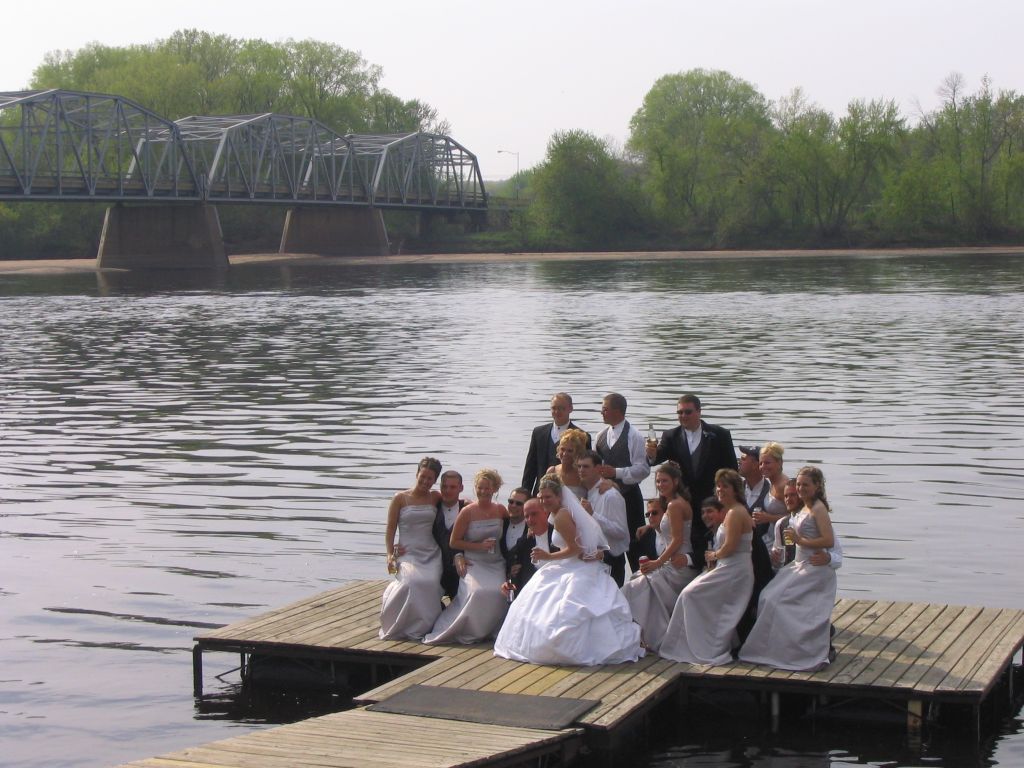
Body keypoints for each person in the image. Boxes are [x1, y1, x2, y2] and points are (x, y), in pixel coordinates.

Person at [493, 473, 643, 666]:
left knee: (565, 606)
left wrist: (548, 557)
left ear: (558, 497)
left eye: (548, 497)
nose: (544, 500)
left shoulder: (562, 516)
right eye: (541, 496)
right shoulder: (558, 513)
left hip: (573, 566)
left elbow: (575, 549)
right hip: (572, 564)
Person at [739, 466, 838, 671]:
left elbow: (828, 539)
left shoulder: (819, 508)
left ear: (817, 486)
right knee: (767, 596)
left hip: (813, 567)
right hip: (799, 564)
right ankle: (776, 648)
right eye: (799, 484)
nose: (801, 488)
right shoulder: (804, 508)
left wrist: (801, 541)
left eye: (805, 485)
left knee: (776, 600)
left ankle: (800, 651)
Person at [659, 470, 754, 664]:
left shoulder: (736, 512)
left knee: (690, 594)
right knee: (690, 594)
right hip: (727, 567)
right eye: (718, 486)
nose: (720, 490)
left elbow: (730, 546)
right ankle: (695, 643)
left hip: (735, 571)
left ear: (735, 489)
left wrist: (714, 555)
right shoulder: (730, 511)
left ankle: (705, 647)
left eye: (725, 486)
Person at [646, 394, 737, 568]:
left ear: (699, 412)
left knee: (714, 543)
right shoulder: (671, 436)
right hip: (684, 504)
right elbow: (656, 459)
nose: (683, 416)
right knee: (689, 544)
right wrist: (651, 454)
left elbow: (731, 470)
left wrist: (727, 502)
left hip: (712, 501)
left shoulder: (719, 435)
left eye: (688, 412)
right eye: (680, 413)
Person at [424, 469, 509, 644]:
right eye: (480, 488)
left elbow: (514, 528)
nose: (483, 492)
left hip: (495, 562)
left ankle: (490, 629)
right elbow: (454, 542)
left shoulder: (501, 510)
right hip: (474, 561)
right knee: (477, 592)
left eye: (487, 488)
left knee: (499, 592)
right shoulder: (467, 511)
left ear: (494, 489)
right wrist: (477, 547)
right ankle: (469, 629)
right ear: (475, 488)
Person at [621, 462, 699, 649]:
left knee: (635, 587)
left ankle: (653, 636)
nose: (660, 484)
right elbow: (669, 531)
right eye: (658, 481)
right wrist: (650, 525)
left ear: (675, 481)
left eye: (665, 481)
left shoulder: (675, 505)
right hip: (671, 560)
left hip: (679, 566)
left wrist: (657, 563)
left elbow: (678, 540)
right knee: (638, 581)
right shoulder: (673, 503)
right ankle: (647, 635)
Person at [379, 457, 445, 640]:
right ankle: (402, 623)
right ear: (417, 474)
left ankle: (426, 625)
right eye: (423, 476)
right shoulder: (400, 498)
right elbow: (391, 528)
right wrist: (390, 554)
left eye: (430, 478)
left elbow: (454, 503)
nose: (425, 481)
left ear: (434, 480)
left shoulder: (435, 497)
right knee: (411, 583)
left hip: (431, 552)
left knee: (430, 582)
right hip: (408, 552)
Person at [594, 392, 651, 571]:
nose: (601, 412)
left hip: (629, 497)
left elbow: (643, 469)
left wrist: (616, 473)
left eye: (605, 409)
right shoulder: (600, 436)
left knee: (635, 544)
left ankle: (639, 579)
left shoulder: (634, 436)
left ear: (618, 411)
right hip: (606, 498)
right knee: (608, 541)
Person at [577, 450, 631, 586]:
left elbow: (621, 532)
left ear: (598, 468)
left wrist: (593, 515)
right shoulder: (585, 492)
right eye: (579, 466)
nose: (581, 470)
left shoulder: (611, 496)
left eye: (586, 466)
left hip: (611, 560)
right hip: (589, 560)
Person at [522, 392, 590, 495]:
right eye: (554, 408)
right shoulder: (538, 432)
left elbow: (587, 468)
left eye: (562, 408)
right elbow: (530, 468)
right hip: (541, 493)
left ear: (570, 409)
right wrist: (525, 494)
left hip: (570, 490)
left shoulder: (582, 436)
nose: (557, 411)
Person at [501, 497, 555, 597]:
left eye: (534, 514)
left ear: (546, 512)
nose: (530, 519)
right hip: (533, 591)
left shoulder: (558, 537)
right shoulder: (525, 541)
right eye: (526, 516)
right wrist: (508, 583)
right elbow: (515, 568)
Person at [433, 470, 467, 601]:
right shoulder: (432, 507)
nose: (447, 491)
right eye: (444, 486)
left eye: (452, 487)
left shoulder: (467, 508)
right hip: (434, 565)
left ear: (461, 488)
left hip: (459, 568)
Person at [752, 442, 789, 552]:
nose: (763, 467)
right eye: (761, 463)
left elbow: (795, 517)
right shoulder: (771, 483)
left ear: (779, 463)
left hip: (784, 541)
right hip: (771, 537)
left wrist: (768, 518)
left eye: (767, 463)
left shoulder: (784, 486)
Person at [548, 428, 589, 499]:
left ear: (577, 453)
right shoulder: (552, 471)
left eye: (570, 451)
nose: (564, 454)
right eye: (562, 449)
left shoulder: (582, 474)